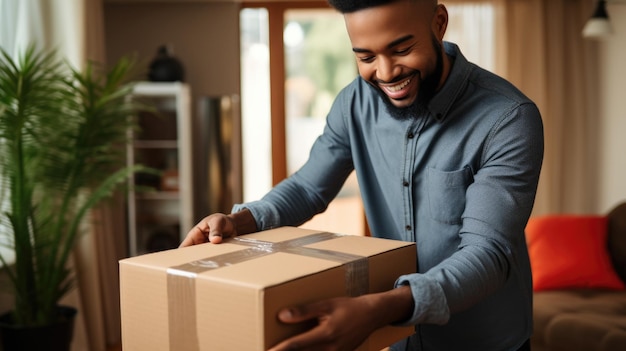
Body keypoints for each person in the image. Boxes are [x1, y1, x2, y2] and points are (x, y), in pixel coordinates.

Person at [180, 0, 544, 350]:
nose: (386, 73)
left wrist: (379, 308)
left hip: (482, 342)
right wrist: (239, 221)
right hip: (397, 337)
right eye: (366, 57)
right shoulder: (353, 103)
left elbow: (487, 252)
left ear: (438, 23)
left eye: (401, 49)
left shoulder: (507, 119)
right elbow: (308, 188)